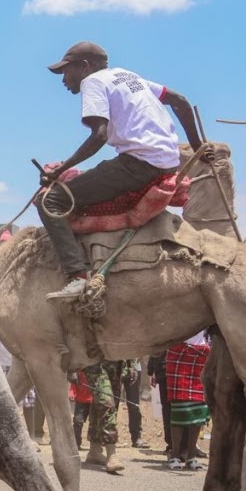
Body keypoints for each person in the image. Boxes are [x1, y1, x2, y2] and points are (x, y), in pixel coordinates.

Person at [38, 42, 203, 300]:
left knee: (51, 200)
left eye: (66, 71)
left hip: (138, 164)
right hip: (166, 162)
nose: (64, 79)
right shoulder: (129, 77)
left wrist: (60, 170)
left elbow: (99, 136)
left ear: (85, 66)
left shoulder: (93, 82)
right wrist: (198, 147)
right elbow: (179, 101)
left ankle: (77, 276)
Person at [165, 333, 211, 471]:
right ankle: (175, 455)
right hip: (180, 353)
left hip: (202, 355)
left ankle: (191, 456)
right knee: (179, 409)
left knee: (199, 409)